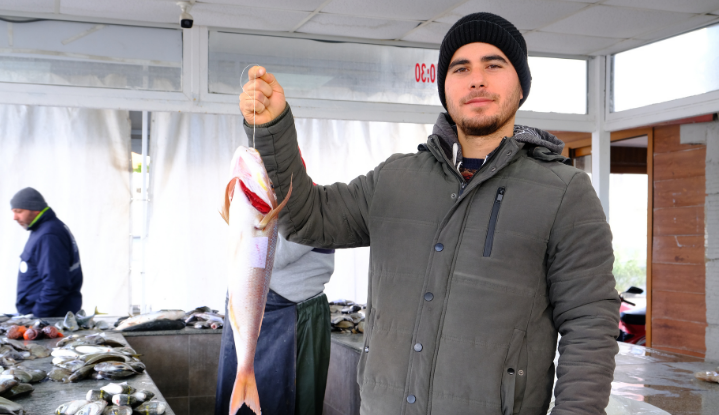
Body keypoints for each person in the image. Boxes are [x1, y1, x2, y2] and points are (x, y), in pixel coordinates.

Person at [238, 11, 619, 415]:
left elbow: (591, 325)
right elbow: (306, 217)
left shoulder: (565, 192)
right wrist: (273, 126)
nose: (477, 79)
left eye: (494, 65)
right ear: (445, 88)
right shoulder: (394, 178)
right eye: (461, 68)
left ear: (521, 86)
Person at [216, 233, 334, 415]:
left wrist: (246, 235)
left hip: (291, 308)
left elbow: (276, 254)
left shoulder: (320, 205)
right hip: (247, 302)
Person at [11, 187, 83, 317]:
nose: (14, 217)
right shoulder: (44, 229)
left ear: (35, 209)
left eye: (19, 211)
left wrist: (37, 317)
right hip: (47, 317)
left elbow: (56, 284)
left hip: (50, 319)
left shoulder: (48, 236)